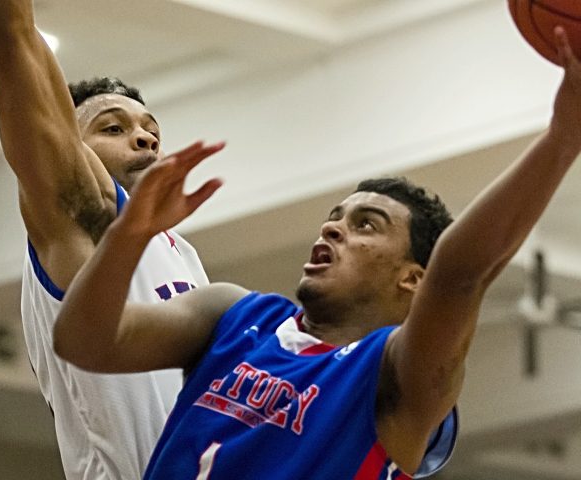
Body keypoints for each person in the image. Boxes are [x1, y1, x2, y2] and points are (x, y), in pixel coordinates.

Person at [53, 27, 581, 480]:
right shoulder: (233, 315)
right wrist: (130, 236)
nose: (332, 231)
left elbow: (460, 274)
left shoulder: (396, 377)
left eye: (364, 226)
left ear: (413, 279)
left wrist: (561, 139)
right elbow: (84, 344)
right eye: (334, 218)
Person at [0, 2, 224, 479]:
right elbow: (12, 36)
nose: (146, 140)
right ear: (73, 149)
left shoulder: (182, 255)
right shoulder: (81, 221)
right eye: (113, 127)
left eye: (153, 132)